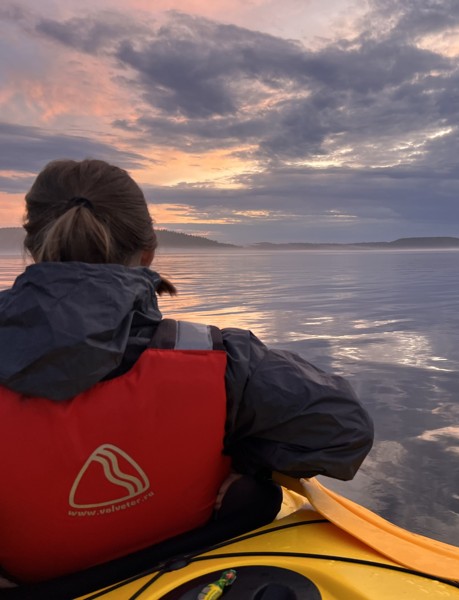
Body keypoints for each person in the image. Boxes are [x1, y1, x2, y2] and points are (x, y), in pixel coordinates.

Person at [0, 159, 374, 587]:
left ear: (30, 246)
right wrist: (241, 456)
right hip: (185, 563)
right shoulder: (223, 359)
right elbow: (346, 431)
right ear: (149, 252)